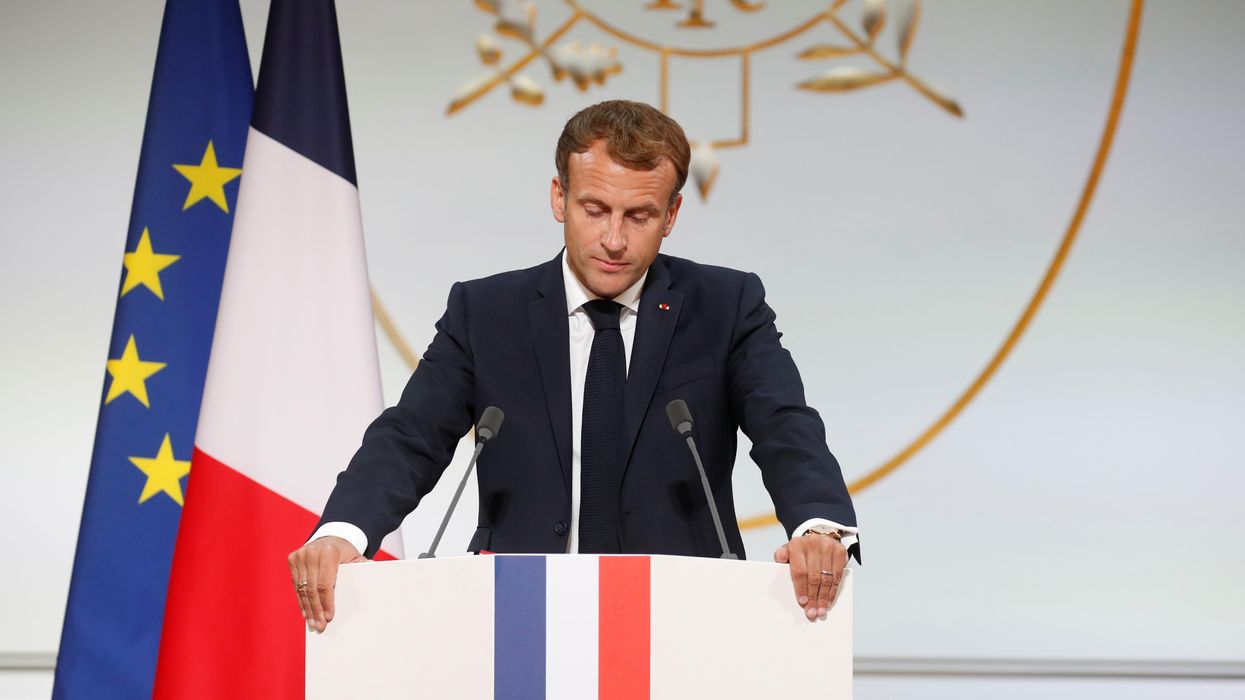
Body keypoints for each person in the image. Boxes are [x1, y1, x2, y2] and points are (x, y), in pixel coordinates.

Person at [287, 100, 859, 634]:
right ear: (559, 197)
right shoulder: (485, 312)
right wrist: (344, 532)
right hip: (520, 617)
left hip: (681, 618)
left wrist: (818, 526)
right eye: (595, 209)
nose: (614, 239)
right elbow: (411, 435)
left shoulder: (726, 306)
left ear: (672, 214)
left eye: (639, 215)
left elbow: (785, 426)